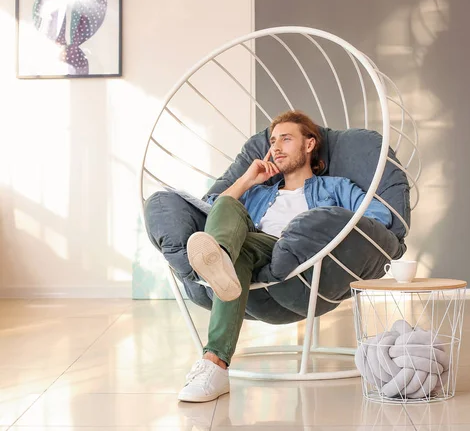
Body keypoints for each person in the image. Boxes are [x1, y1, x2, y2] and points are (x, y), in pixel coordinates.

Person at [145, 110, 392, 403]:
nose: (275, 147)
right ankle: (218, 264)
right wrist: (248, 181)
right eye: (273, 141)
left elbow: (379, 216)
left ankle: (215, 357)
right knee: (228, 210)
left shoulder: (334, 187)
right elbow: (212, 211)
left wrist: (327, 224)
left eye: (286, 139)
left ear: (310, 144)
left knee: (241, 248)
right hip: (250, 248)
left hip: (295, 255)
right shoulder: (260, 192)